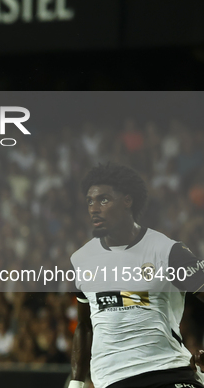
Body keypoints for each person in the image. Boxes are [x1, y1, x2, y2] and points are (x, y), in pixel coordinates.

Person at [69, 162, 204, 388]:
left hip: (170, 371)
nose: (94, 208)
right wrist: (75, 384)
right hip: (113, 380)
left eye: (104, 199)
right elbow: (84, 325)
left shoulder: (167, 251)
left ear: (127, 201)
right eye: (90, 201)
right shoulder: (81, 259)